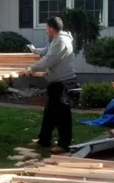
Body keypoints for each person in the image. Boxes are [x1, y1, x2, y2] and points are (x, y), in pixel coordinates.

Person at [23, 16, 77, 154]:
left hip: (63, 83)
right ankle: (44, 140)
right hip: (57, 83)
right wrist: (35, 50)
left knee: (62, 115)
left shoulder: (61, 42)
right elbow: (46, 51)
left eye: (46, 27)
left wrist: (30, 69)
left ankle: (64, 145)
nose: (45, 30)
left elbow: (48, 60)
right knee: (50, 113)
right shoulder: (57, 40)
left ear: (52, 28)